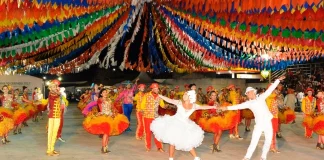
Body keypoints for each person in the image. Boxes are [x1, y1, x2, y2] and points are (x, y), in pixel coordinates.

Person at [219, 76, 286, 160]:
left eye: (249, 92)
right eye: (247, 93)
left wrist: (277, 80)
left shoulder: (261, 97)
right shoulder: (248, 103)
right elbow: (237, 106)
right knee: (254, 141)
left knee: (268, 140)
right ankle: (247, 157)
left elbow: (269, 90)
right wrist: (226, 108)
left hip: (268, 122)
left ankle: (263, 156)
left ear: (253, 92)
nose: (247, 94)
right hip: (259, 124)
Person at [151, 90, 217, 160]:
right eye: (184, 94)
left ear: (190, 97)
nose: (183, 95)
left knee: (187, 141)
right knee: (172, 141)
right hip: (174, 123)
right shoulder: (179, 102)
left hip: (185, 125)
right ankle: (171, 158)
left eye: (186, 94)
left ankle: (195, 157)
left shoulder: (194, 105)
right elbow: (169, 100)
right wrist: (160, 95)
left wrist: (213, 107)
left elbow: (203, 107)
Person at [83, 88, 129, 154]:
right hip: (104, 117)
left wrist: (114, 112)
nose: (105, 93)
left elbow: (113, 108)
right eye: (104, 92)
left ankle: (105, 147)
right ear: (101, 94)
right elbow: (96, 106)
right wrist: (87, 111)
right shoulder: (100, 100)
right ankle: (103, 148)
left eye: (106, 92)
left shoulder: (109, 100)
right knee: (106, 133)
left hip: (110, 117)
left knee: (107, 134)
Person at [140, 83, 165, 152]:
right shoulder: (146, 95)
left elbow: (162, 105)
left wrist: (166, 106)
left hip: (156, 117)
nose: (157, 90)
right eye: (155, 89)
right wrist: (142, 110)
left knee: (157, 132)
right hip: (147, 116)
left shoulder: (159, 96)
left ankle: (159, 147)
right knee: (148, 132)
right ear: (152, 89)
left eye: (157, 89)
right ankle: (148, 146)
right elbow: (142, 104)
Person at [46, 80, 62, 156]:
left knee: (54, 133)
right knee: (51, 133)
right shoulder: (52, 94)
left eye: (55, 86)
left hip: (57, 115)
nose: (54, 88)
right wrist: (58, 93)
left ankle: (51, 149)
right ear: (50, 88)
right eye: (52, 86)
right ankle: (49, 151)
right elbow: (55, 96)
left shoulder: (55, 93)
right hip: (53, 116)